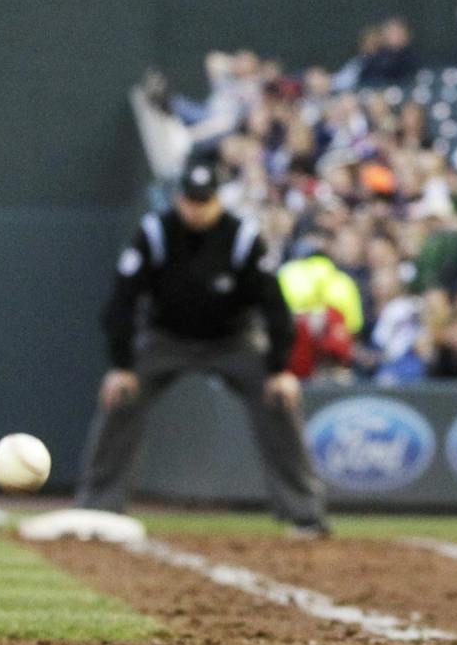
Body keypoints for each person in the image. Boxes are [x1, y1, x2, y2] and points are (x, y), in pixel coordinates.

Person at [77, 160, 328, 534]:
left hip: (233, 339)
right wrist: (121, 364)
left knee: (279, 400)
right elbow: (121, 301)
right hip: (167, 338)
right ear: (179, 199)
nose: (197, 209)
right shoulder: (156, 232)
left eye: (205, 201)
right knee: (122, 397)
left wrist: (280, 369)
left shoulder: (241, 237)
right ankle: (99, 506)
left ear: (217, 201)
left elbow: (274, 306)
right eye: (191, 201)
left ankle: (304, 513)